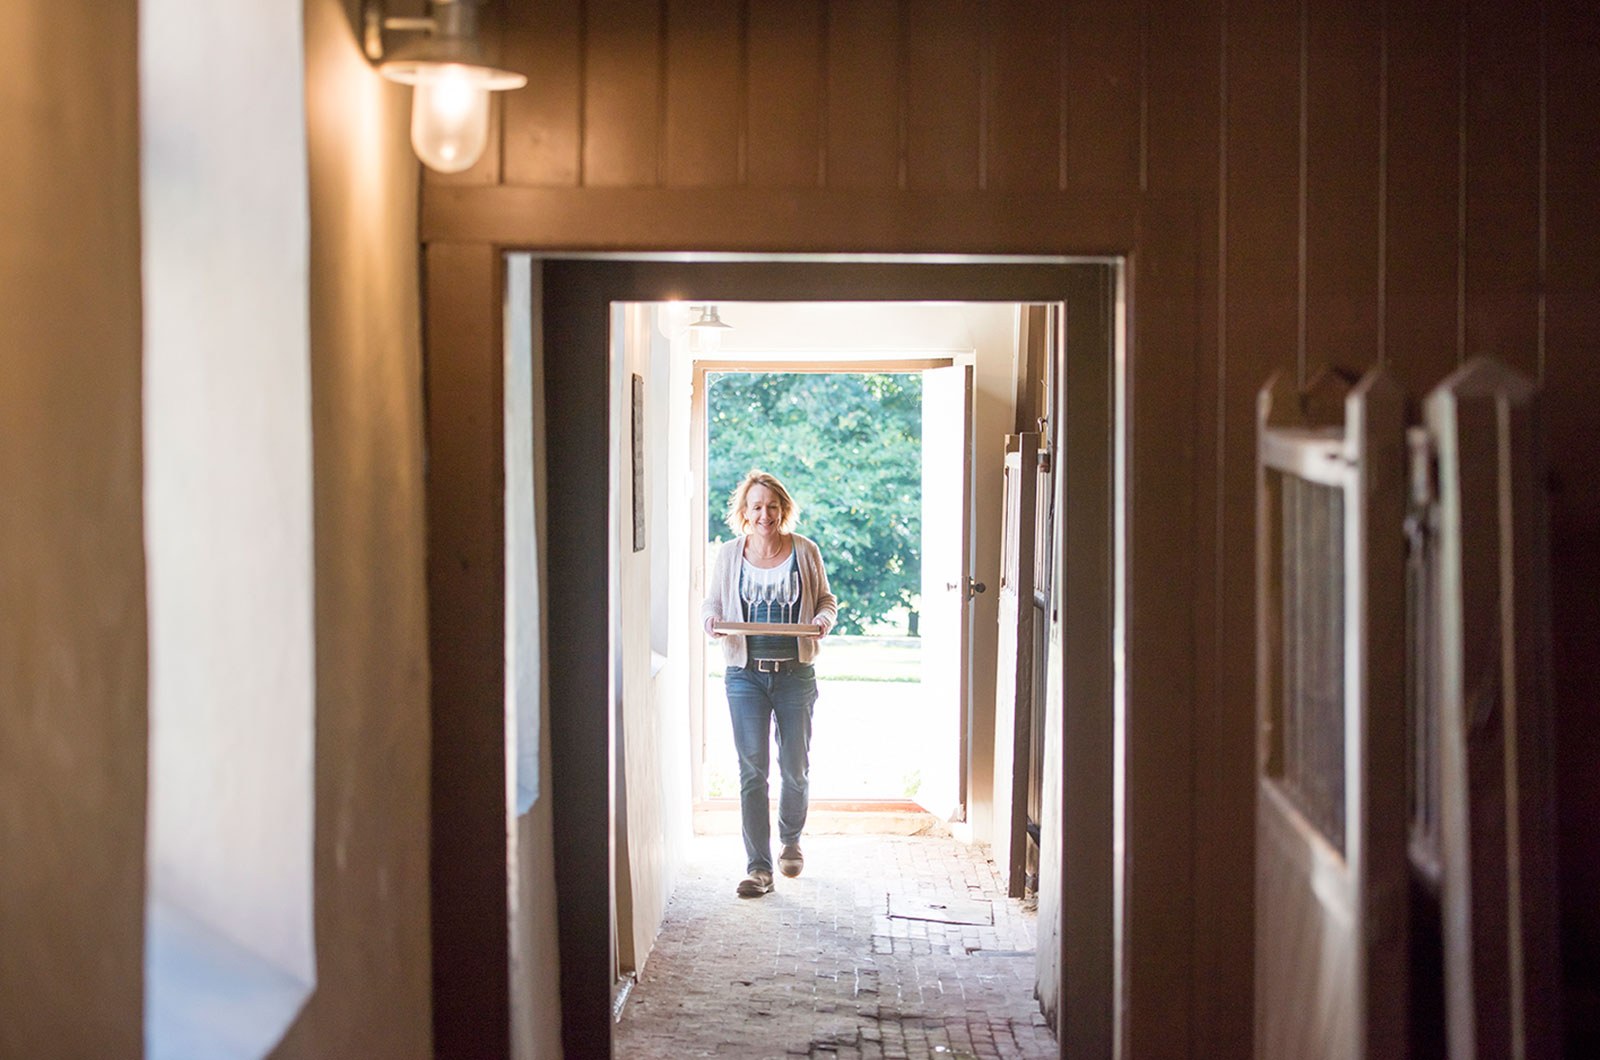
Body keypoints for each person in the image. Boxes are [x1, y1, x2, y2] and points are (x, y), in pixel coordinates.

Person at [702, 470, 838, 898]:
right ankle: (759, 868)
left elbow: (826, 601)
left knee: (794, 768)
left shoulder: (805, 551)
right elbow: (713, 602)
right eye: (756, 506)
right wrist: (709, 620)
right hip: (745, 676)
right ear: (744, 512)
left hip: (795, 675)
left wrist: (822, 621)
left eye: (772, 506)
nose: (765, 514)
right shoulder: (728, 554)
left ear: (783, 509)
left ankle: (791, 840)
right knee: (751, 771)